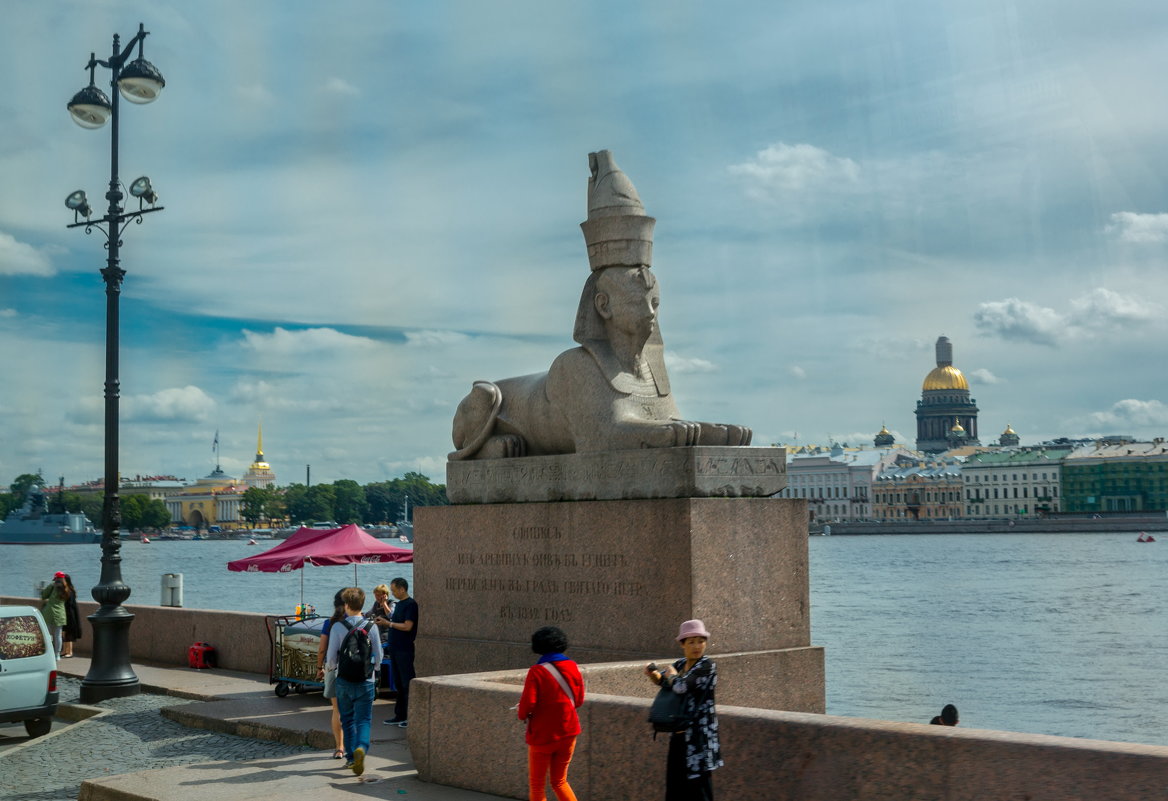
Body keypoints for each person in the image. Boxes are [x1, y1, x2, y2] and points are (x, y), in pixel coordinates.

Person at [645, 619, 722, 801]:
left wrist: (671, 677)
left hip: (699, 738)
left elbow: (681, 687)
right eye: (691, 641)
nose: (697, 646)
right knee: (675, 788)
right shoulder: (680, 664)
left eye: (700, 641)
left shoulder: (707, 666)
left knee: (700, 790)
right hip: (679, 735)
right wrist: (655, 676)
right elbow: (667, 682)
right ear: (682, 644)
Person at [517, 626, 585, 801]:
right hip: (569, 732)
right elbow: (578, 700)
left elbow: (527, 705)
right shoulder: (572, 666)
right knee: (560, 781)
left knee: (538, 785)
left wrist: (521, 712)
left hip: (543, 736)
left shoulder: (536, 671)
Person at [325, 586, 382, 776]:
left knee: (347, 719)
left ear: (346, 605)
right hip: (366, 680)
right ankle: (361, 749)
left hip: (344, 681)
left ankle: (350, 758)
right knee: (364, 720)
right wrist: (373, 671)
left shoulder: (338, 627)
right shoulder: (371, 626)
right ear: (362, 604)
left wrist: (332, 669)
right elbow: (379, 656)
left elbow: (331, 658)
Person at [382, 577, 417, 727]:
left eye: (395, 590)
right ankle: (399, 714)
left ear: (402, 589)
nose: (393, 593)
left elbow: (408, 626)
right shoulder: (398, 604)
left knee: (407, 682)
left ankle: (411, 716)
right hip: (395, 649)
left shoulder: (410, 605)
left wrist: (388, 624)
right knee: (399, 683)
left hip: (404, 649)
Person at [316, 591, 346, 759]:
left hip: (333, 669)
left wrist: (319, 667)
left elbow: (322, 648)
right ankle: (355, 744)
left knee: (337, 709)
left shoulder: (330, 623)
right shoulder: (358, 622)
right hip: (355, 671)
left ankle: (339, 747)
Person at [367, 583, 396, 696]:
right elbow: (369, 613)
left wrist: (384, 603)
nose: (376, 598)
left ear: (384, 595)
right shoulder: (376, 604)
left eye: (378, 595)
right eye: (375, 595)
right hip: (377, 634)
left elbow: (391, 615)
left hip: (386, 636)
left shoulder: (392, 603)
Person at [40, 572, 69, 658]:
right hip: (60, 614)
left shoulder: (53, 585)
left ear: (55, 579)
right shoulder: (66, 588)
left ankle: (48, 654)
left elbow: (43, 595)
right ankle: (57, 655)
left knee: (48, 635)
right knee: (58, 636)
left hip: (49, 613)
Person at [59, 573, 81, 658]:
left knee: (68, 633)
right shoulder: (66, 590)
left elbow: (70, 605)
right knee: (64, 633)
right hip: (65, 614)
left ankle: (70, 652)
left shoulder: (70, 591)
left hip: (69, 615)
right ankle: (64, 650)